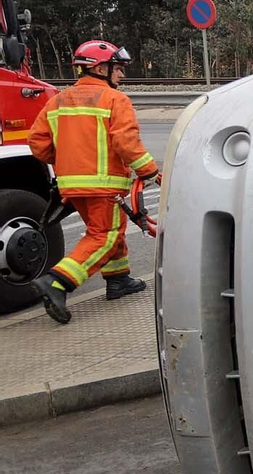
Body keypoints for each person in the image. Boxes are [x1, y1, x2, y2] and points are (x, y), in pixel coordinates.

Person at [26, 39, 161, 324]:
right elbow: (126, 142)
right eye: (118, 69)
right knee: (106, 234)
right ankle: (58, 281)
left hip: (72, 186)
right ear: (100, 68)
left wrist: (68, 160)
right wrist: (149, 171)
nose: (121, 75)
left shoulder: (57, 100)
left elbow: (38, 144)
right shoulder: (115, 100)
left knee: (108, 230)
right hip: (103, 184)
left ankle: (119, 280)